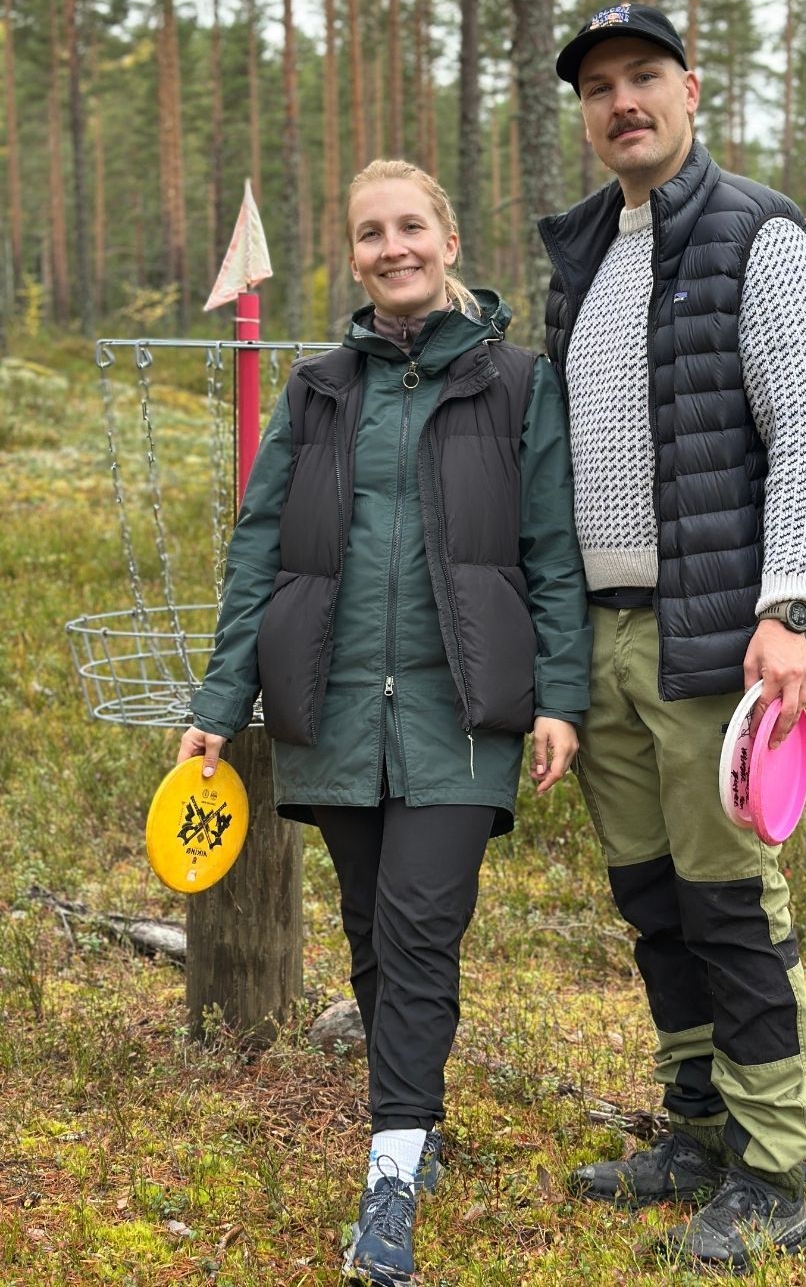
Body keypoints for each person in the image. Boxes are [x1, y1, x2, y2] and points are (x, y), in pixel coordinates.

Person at [178, 159, 591, 1286]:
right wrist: (221, 703)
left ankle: (390, 1176)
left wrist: (560, 696)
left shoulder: (516, 383)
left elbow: (551, 551)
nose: (392, 246)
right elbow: (259, 549)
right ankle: (417, 1120)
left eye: (411, 226)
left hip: (466, 714)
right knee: (372, 930)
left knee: (418, 928)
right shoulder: (318, 391)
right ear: (352, 255)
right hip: (334, 709)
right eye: (370, 233)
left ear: (447, 242)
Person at [539, 4, 806, 1273]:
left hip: (715, 639)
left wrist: (786, 608)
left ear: (692, 88)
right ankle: (697, 1128)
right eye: (601, 86)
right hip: (606, 640)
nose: (624, 102)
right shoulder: (586, 255)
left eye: (645, 78)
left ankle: (776, 1170)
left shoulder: (755, 237)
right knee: (652, 901)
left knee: (727, 904)